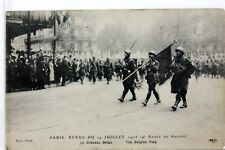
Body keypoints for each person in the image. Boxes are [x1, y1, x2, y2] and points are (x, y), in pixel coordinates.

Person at [170, 46, 195, 111]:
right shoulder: (175, 59)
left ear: (182, 53)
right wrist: (172, 67)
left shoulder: (186, 60)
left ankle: (175, 104)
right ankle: (185, 103)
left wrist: (187, 73)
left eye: (178, 51)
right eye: (176, 51)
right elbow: (172, 67)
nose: (177, 53)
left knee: (180, 90)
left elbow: (192, 68)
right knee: (182, 92)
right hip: (176, 78)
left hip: (183, 78)